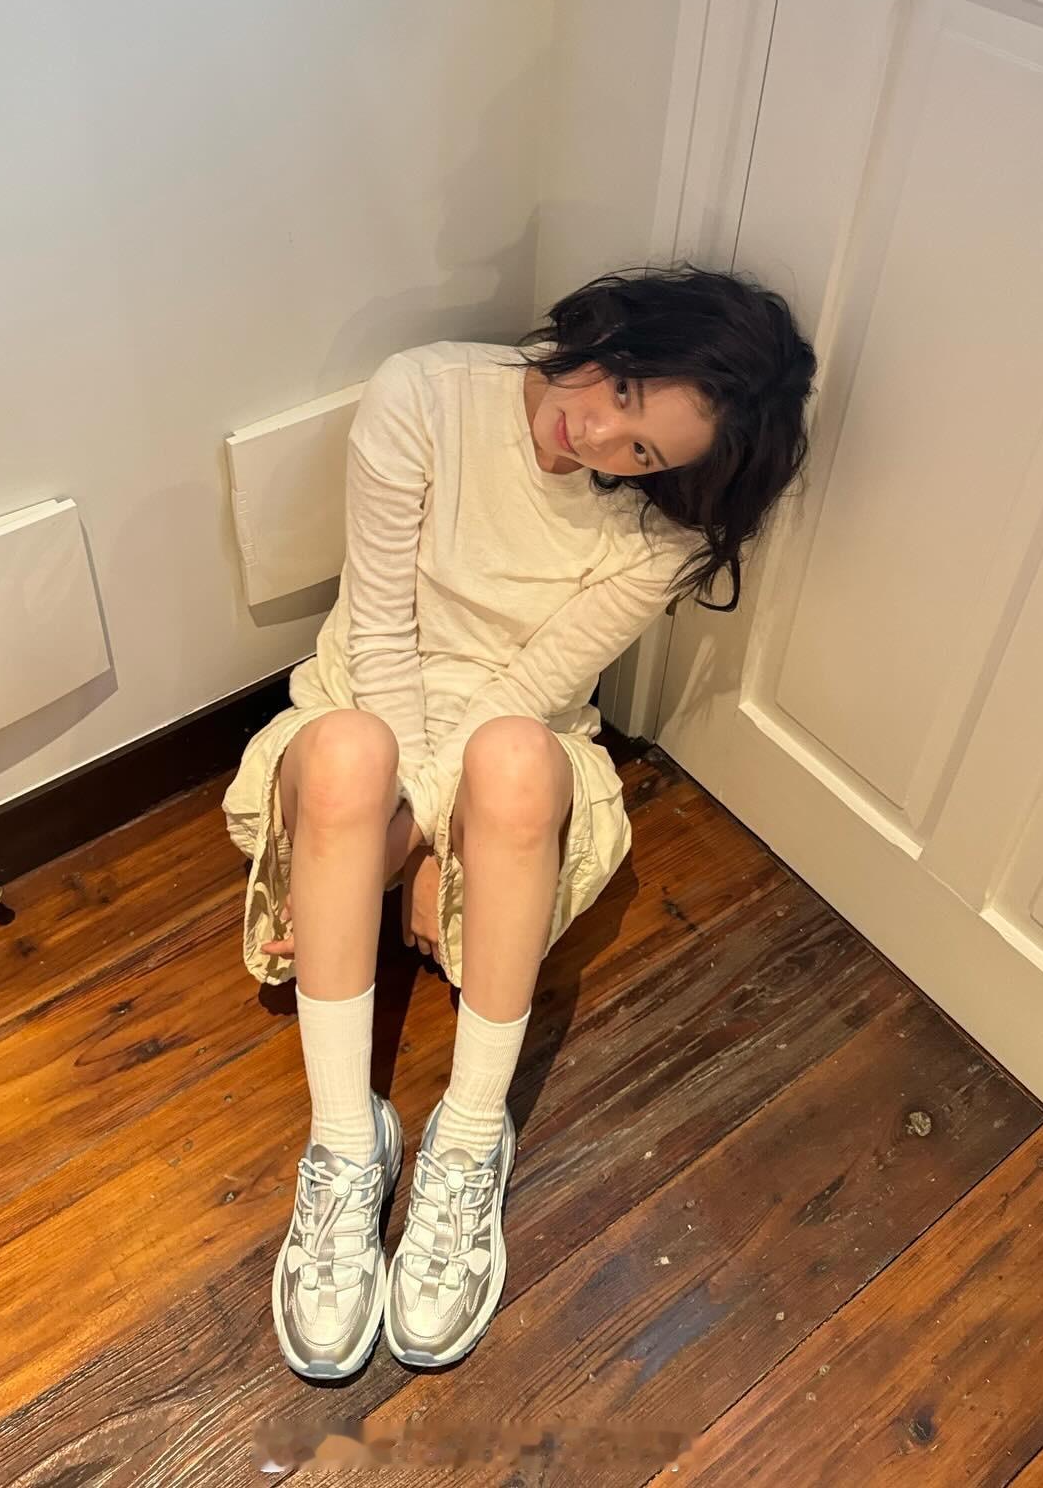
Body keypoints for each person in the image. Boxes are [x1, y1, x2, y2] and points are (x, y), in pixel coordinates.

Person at [223, 265, 816, 1379]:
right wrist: (404, 824)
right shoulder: (424, 394)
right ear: (617, 332)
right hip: (363, 720)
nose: (597, 435)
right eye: (623, 391)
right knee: (353, 753)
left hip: (516, 765)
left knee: (507, 754)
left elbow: (534, 687)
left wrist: (414, 841)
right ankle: (345, 1146)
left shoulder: (661, 533)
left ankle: (465, 1144)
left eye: (643, 451)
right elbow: (382, 634)